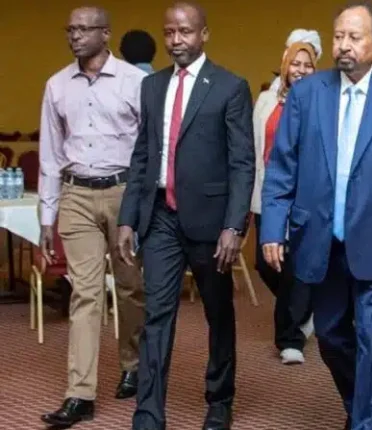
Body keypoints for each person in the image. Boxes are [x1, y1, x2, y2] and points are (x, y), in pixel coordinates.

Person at [260, 2, 372, 429]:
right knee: (330, 335)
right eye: (339, 36)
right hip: (321, 239)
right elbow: (282, 166)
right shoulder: (307, 94)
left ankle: (365, 423)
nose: (344, 45)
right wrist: (272, 227)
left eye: (354, 37)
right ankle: (360, 406)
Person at [116, 2, 254, 429]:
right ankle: (148, 413)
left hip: (211, 222)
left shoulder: (230, 87)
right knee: (157, 314)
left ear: (204, 34)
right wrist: (127, 217)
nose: (176, 40)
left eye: (185, 32)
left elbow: (242, 163)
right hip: (160, 217)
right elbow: (142, 154)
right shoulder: (151, 86)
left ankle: (220, 399)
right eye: (170, 32)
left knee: (218, 312)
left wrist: (234, 225)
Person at [38, 6, 146, 428]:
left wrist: (144, 202)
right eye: (70, 29)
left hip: (124, 193)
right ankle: (80, 393)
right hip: (77, 194)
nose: (75, 36)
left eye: (84, 29)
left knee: (131, 287)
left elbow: (150, 148)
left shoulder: (135, 82)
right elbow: (50, 155)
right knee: (84, 294)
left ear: (106, 34)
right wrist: (47, 215)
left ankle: (134, 364)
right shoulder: (56, 85)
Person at [251, 39, 319, 365]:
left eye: (308, 65)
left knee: (291, 266)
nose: (301, 70)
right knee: (264, 264)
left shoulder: (319, 102)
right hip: (267, 192)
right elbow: (254, 147)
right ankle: (305, 306)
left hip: (301, 196)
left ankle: (290, 340)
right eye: (296, 63)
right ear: (285, 65)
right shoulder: (266, 99)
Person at [268, 28, 323, 93]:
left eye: (308, 65)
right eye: (295, 64)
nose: (302, 70)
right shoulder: (274, 91)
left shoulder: (321, 93)